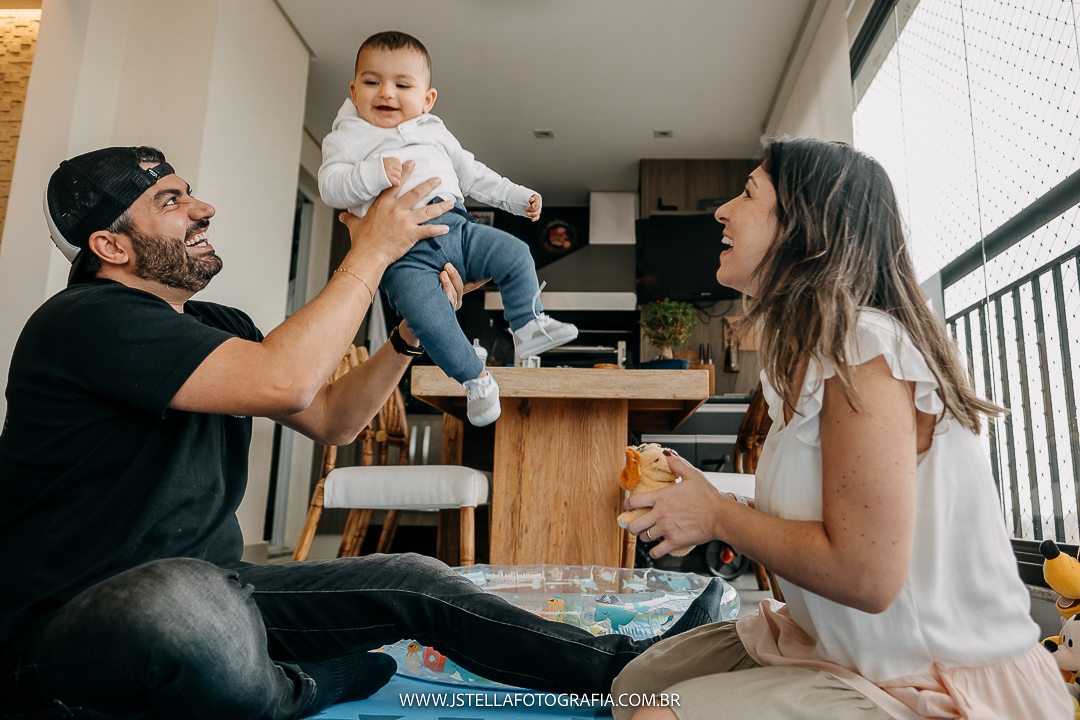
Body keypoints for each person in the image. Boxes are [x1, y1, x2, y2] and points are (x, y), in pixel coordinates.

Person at [0, 146, 724, 720]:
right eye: (171, 201)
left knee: (413, 579)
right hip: (79, 623)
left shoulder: (220, 330)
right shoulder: (83, 321)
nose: (203, 208)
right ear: (112, 246)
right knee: (181, 605)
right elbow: (285, 381)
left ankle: (623, 666)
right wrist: (371, 252)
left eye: (190, 191)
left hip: (228, 590)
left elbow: (331, 420)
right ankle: (298, 692)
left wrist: (405, 339)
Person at [611, 137, 1073, 720]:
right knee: (635, 685)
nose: (722, 210)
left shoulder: (867, 350)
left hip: (930, 677)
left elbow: (866, 573)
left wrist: (719, 516)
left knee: (657, 714)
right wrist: (703, 498)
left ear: (805, 229)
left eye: (748, 193)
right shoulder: (806, 359)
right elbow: (827, 508)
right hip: (839, 651)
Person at [318, 31, 577, 427]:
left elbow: (472, 174)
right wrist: (372, 173)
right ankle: (477, 381)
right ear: (354, 91)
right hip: (403, 257)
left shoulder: (433, 130)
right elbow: (330, 185)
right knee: (429, 317)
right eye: (372, 82)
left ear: (426, 99)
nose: (386, 92)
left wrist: (516, 197)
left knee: (516, 252)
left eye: (402, 84)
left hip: (457, 228)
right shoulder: (347, 139)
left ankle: (527, 323)